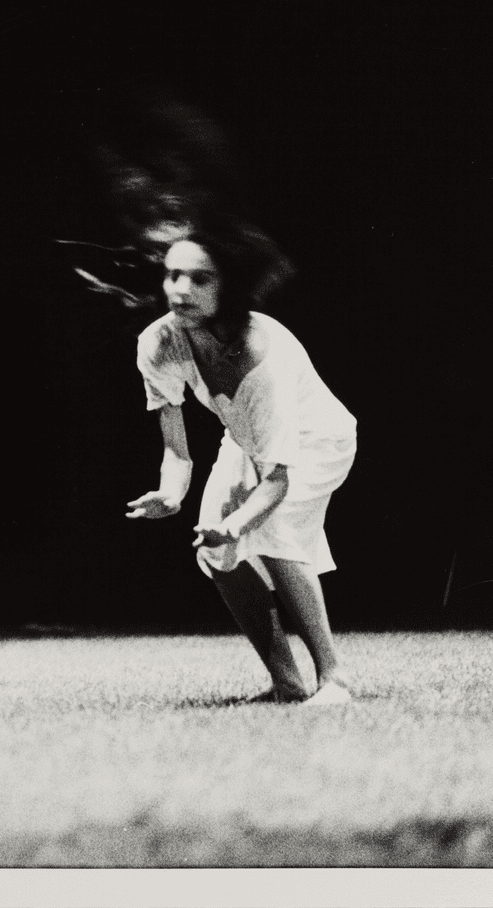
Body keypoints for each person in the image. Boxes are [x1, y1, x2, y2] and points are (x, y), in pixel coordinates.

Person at [126, 229, 357, 705]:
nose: (180, 289)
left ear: (228, 287)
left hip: (317, 440)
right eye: (173, 274)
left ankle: (334, 678)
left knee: (270, 533)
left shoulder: (262, 354)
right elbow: (177, 451)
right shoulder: (158, 342)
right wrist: (171, 495)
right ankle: (287, 681)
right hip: (246, 438)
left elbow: (277, 479)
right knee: (214, 551)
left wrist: (236, 525)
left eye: (199, 279)